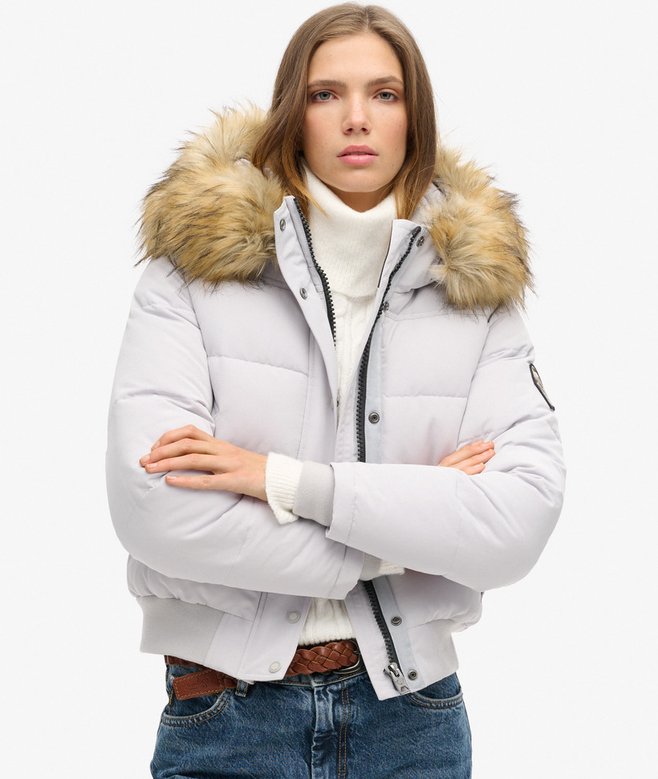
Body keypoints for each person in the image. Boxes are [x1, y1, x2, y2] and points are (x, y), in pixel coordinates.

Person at [106, 4, 565, 777]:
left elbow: (516, 523)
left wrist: (280, 480)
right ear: (294, 113)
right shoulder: (191, 271)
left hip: (413, 722)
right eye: (326, 94)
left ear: (415, 117)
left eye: (385, 94)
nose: (357, 118)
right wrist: (408, 531)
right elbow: (155, 509)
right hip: (229, 714)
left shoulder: (477, 291)